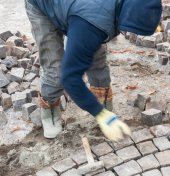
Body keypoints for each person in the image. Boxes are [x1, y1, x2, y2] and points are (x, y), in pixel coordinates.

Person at [25, 0, 162, 140]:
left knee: (96, 58)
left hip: (81, 12)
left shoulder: (108, 14)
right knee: (55, 70)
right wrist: (99, 113)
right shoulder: (90, 24)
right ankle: (50, 109)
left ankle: (103, 102)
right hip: (43, 6)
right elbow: (70, 77)